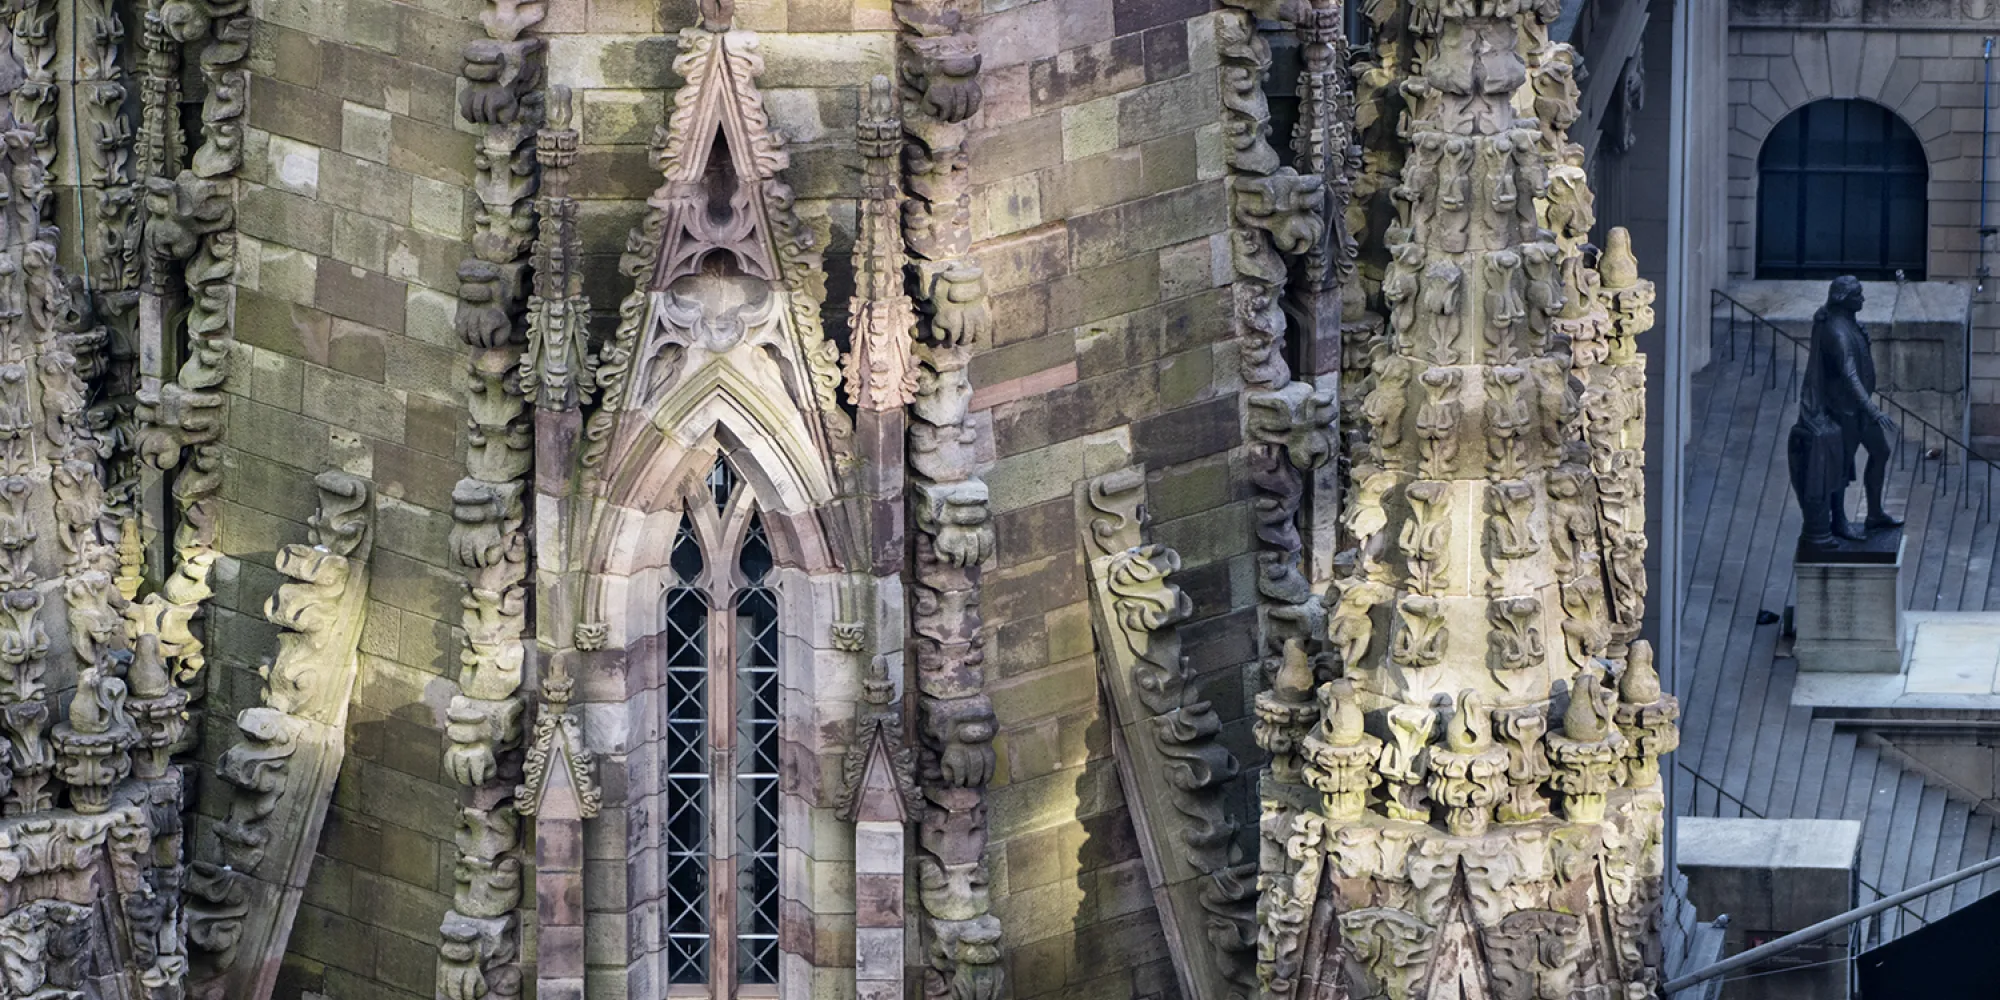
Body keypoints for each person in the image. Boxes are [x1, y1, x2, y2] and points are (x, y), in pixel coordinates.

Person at [1788, 275, 1902, 549]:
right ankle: (1838, 521)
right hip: (1846, 411)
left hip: (1859, 411)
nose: (1863, 298)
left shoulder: (1848, 324)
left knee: (1881, 452)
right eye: (1858, 294)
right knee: (1839, 468)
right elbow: (1849, 374)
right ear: (1843, 298)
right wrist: (1873, 409)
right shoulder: (1836, 331)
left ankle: (1874, 514)